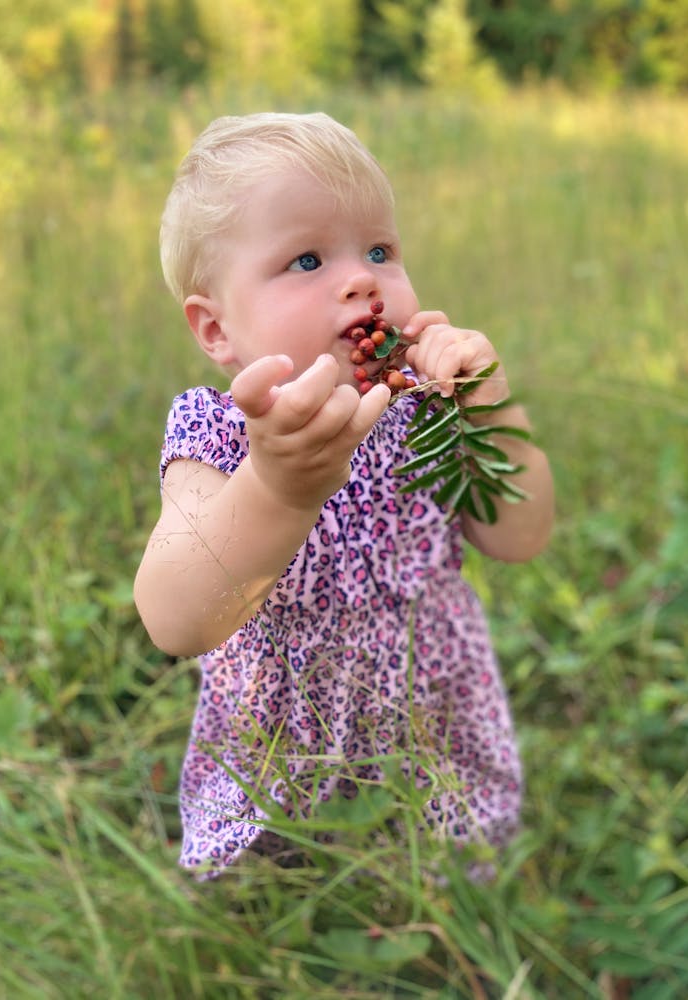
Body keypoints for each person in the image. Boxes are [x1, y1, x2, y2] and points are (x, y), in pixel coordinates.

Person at [134, 111, 554, 879]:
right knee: (276, 905)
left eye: (380, 250)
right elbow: (175, 618)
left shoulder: (429, 405)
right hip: (277, 761)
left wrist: (489, 405)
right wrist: (278, 488)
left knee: (443, 890)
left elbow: (519, 536)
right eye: (305, 259)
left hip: (432, 728)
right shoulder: (219, 432)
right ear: (216, 329)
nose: (362, 279)